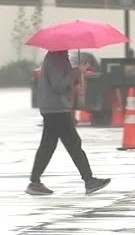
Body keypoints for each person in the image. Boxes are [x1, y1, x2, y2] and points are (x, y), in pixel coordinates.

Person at [26, 50, 111, 196]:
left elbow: (64, 81)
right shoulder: (54, 59)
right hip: (56, 109)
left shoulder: (59, 58)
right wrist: (76, 72)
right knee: (73, 144)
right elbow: (58, 85)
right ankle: (89, 180)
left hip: (56, 108)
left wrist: (77, 74)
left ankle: (34, 182)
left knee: (49, 146)